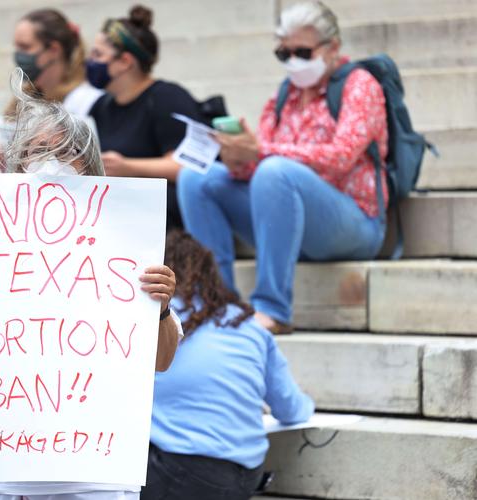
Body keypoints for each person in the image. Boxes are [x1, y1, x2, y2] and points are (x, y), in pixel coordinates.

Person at [0, 74, 181, 500]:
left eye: (64, 152)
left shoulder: (126, 243)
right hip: (0, 474)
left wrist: (163, 309)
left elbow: (162, 360)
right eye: (37, 151)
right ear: (16, 164)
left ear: (88, 165)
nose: (51, 162)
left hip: (93, 481)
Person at [177, 0, 388, 334]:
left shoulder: (360, 86)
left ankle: (272, 308)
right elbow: (261, 168)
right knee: (196, 178)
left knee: (276, 170)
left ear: (332, 47)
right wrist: (238, 160)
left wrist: (261, 151)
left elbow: (342, 155)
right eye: (284, 54)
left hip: (353, 223)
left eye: (302, 52)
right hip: (290, 216)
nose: (293, 62)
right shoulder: (284, 95)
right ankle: (216, 301)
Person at [141, 230, 314, 500]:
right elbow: (292, 408)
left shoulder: (156, 323)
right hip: (247, 475)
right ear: (212, 275)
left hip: (180, 474)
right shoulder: (249, 325)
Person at [87, 5, 206, 230]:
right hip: (124, 208)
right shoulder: (101, 106)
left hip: (166, 215)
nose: (90, 61)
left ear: (125, 62)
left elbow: (188, 168)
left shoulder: (166, 97)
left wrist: (129, 167)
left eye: (97, 54)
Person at [12, 8, 102, 118]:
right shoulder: (22, 102)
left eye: (25, 47)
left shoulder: (85, 101)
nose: (18, 54)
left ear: (54, 50)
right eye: (17, 47)